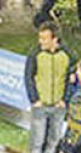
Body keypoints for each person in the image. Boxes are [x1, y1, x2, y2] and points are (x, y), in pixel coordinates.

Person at [25, 21, 72, 153]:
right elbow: (28, 77)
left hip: (58, 107)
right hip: (41, 106)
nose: (40, 41)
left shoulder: (67, 55)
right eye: (40, 38)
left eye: (44, 38)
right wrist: (35, 99)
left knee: (54, 140)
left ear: (55, 39)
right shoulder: (35, 54)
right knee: (37, 142)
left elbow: (71, 78)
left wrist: (65, 99)